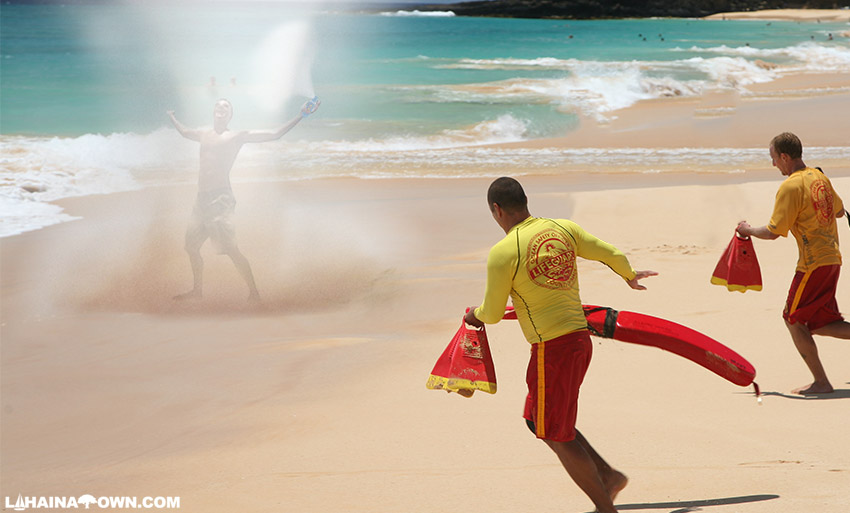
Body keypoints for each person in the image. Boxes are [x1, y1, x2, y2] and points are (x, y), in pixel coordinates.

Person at [463, 177, 657, 513]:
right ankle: (608, 476)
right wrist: (629, 275)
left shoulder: (504, 251)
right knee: (539, 419)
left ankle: (605, 507)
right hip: (580, 341)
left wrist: (473, 315)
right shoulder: (562, 228)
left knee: (553, 432)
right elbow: (609, 252)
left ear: (497, 210)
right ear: (525, 201)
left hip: (551, 349)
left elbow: (491, 313)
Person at [167, 97, 320, 302]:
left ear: (230, 115)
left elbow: (275, 134)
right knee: (191, 247)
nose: (221, 108)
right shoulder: (203, 134)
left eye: (226, 106)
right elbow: (185, 132)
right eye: (218, 105)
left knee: (229, 249)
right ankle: (197, 291)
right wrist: (172, 118)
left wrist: (301, 115)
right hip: (201, 200)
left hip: (221, 199)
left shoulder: (237, 136)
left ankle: (254, 292)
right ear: (213, 112)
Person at [737, 132, 850, 395]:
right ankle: (820, 380)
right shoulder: (819, 177)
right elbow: (839, 211)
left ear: (785, 157)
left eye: (774, 158)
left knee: (793, 319)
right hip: (833, 259)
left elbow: (773, 231)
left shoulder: (790, 186)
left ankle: (821, 382)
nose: (773, 164)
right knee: (820, 322)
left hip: (813, 263)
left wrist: (748, 229)